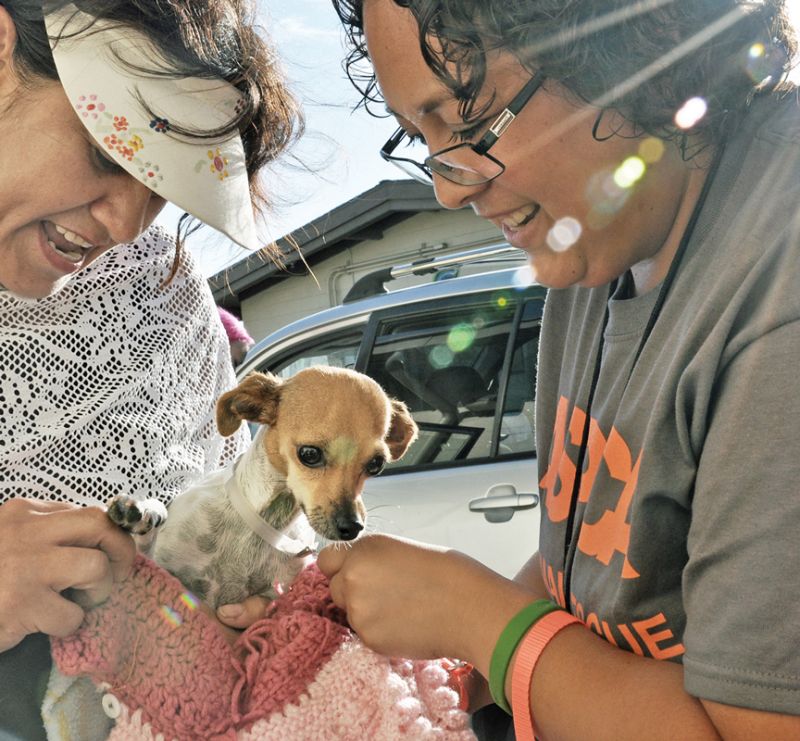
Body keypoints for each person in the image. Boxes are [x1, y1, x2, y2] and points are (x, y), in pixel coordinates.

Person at [318, 0, 800, 738]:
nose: (449, 187)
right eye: (420, 137)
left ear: (626, 39)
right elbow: (587, 572)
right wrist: (449, 663)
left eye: (469, 122)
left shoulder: (777, 274)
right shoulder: (598, 245)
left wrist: (474, 615)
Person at [0, 0, 300, 737]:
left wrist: (256, 597)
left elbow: (225, 501)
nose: (129, 223)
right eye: (109, 151)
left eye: (164, 184)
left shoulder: (157, 288)